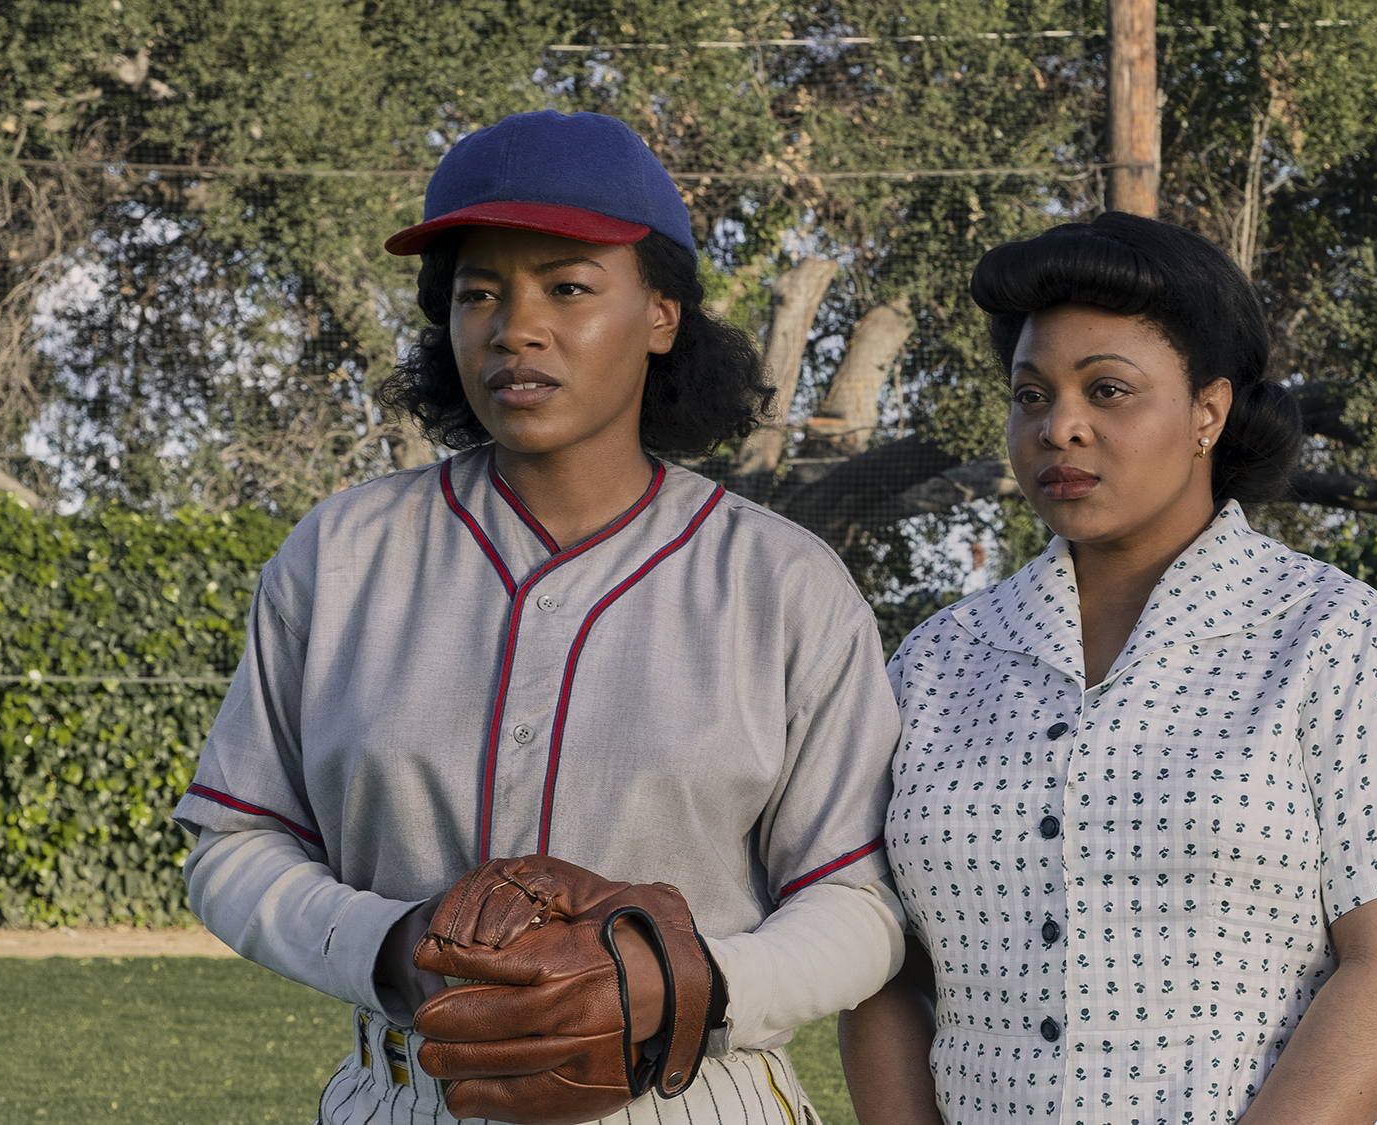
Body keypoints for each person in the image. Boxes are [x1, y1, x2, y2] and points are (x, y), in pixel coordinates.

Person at [173, 110, 905, 1125]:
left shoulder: (781, 581)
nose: (514, 327)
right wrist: (393, 944)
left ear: (660, 314)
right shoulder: (342, 555)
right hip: (407, 1094)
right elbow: (234, 845)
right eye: (478, 293)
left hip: (690, 1097)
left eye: (567, 286)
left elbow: (858, 904)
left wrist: (677, 983)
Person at [839, 212, 1377, 1125]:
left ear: (1208, 412)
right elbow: (886, 975)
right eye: (1032, 395)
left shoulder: (1336, 638)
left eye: (1108, 390)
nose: (1059, 426)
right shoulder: (935, 664)